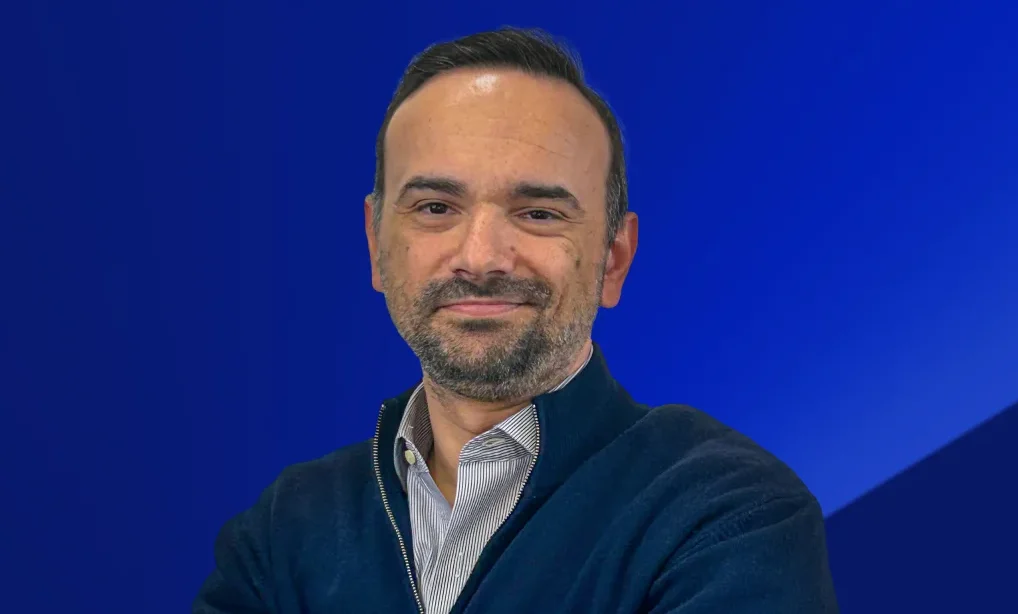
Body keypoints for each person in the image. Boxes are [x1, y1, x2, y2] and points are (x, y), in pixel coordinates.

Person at [194, 27, 838, 614]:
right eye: (435, 207)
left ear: (614, 260)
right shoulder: (285, 529)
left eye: (538, 214)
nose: (479, 257)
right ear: (375, 244)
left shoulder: (730, 515)